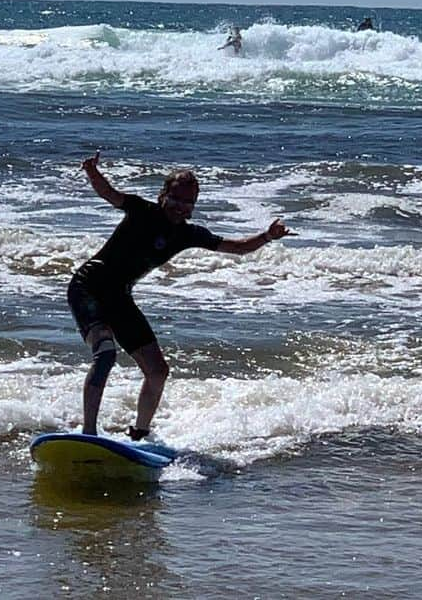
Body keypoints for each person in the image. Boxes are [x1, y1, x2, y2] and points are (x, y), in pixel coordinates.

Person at [68, 152, 291, 440]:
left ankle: (140, 435)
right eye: (176, 199)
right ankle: (88, 434)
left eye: (189, 203)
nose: (181, 207)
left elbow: (237, 248)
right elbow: (109, 194)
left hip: (119, 298)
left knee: (158, 371)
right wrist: (92, 171)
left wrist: (267, 237)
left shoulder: (188, 234)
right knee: (106, 353)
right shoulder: (141, 210)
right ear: (163, 195)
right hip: (89, 287)